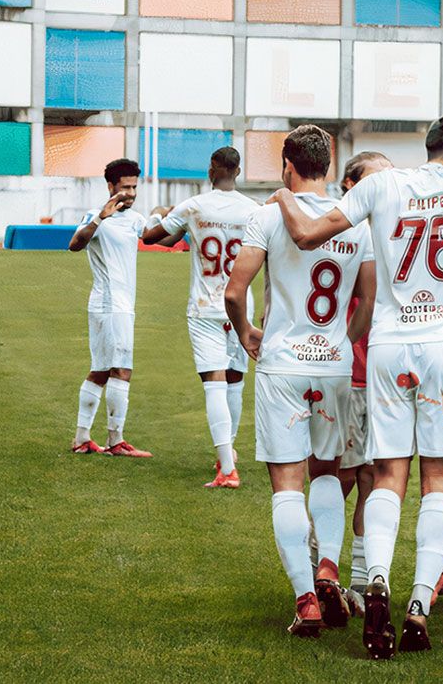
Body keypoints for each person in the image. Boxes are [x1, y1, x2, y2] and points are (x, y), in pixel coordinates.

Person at [269, 115, 443, 658]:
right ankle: (420, 601)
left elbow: (308, 234)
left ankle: (376, 577)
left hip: (387, 348)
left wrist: (284, 196)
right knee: (439, 479)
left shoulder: (382, 183)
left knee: (388, 475)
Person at [225, 125, 376, 637]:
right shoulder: (356, 220)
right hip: (333, 364)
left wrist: (247, 330)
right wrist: (341, 339)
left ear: (287, 164)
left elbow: (233, 290)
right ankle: (329, 565)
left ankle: (306, 599)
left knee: (286, 484)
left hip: (283, 363)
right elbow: (369, 302)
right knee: (328, 473)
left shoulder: (267, 214)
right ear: (329, 167)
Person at [142, 147, 258, 488]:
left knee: (214, 385)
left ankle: (227, 469)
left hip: (206, 305)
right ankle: (228, 453)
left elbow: (150, 237)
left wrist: (155, 215)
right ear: (238, 171)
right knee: (235, 381)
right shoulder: (253, 210)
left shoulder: (194, 205)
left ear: (212, 169)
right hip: (241, 306)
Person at [68, 158, 152, 458]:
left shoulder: (135, 218)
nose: (130, 193)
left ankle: (81, 438)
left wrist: (177, 219)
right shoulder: (97, 216)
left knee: (102, 371)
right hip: (108, 305)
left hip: (121, 305)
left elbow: (158, 236)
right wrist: (99, 219)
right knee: (121, 371)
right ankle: (116, 442)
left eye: (134, 187)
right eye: (125, 187)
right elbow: (75, 244)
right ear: (110, 187)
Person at [338, 152, 391, 609]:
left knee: (373, 478)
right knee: (336, 480)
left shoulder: (393, 230)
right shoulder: (346, 231)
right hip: (348, 373)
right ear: (351, 184)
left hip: (384, 377)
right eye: (378, 178)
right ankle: (325, 575)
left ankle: (358, 580)